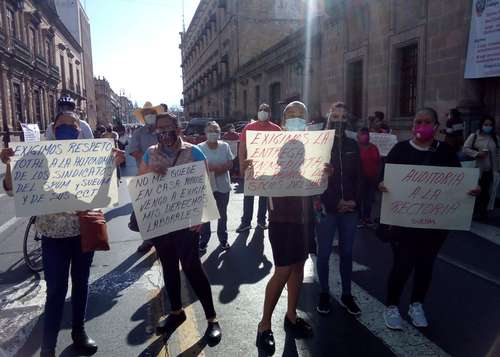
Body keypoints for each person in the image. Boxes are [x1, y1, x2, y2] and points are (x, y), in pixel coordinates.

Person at [1, 111, 125, 357]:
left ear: (79, 130)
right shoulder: (36, 154)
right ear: (53, 128)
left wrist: (114, 163)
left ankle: (79, 332)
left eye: (73, 125)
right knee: (56, 290)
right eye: (62, 124)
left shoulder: (89, 154)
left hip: (83, 232)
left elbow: (105, 190)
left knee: (81, 285)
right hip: (53, 237)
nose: (67, 128)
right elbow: (12, 189)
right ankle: (48, 347)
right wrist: (8, 165)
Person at [379, 107, 480, 330]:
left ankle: (416, 304)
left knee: (426, 265)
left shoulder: (445, 151)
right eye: (418, 121)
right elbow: (383, 176)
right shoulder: (400, 150)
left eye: (426, 122)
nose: (421, 126)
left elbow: (457, 182)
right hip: (403, 222)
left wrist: (470, 191)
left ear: (435, 126)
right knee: (402, 265)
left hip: (434, 225)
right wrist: (382, 185)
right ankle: (392, 306)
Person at [138, 111, 221, 344]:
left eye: (168, 128)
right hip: (162, 223)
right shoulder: (149, 153)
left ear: (178, 129)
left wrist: (201, 218)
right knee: (169, 268)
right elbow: (140, 184)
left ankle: (212, 319)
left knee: (193, 267)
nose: (163, 133)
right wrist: (150, 171)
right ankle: (176, 312)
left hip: (187, 223)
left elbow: (206, 187)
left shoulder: (194, 152)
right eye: (159, 129)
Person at [256, 101, 319, 355]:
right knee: (282, 271)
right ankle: (264, 325)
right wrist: (252, 169)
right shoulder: (270, 145)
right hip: (281, 219)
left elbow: (316, 179)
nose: (296, 119)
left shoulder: (315, 145)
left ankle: (291, 316)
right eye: (291, 115)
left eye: (300, 115)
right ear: (283, 120)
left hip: (305, 218)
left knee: (299, 266)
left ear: (307, 119)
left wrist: (325, 173)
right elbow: (257, 174)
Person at [315, 102, 362, 316]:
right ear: (328, 119)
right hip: (328, 208)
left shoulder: (354, 145)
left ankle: (346, 294)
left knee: (347, 252)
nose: (339, 121)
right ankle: (324, 292)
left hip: (350, 209)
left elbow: (360, 178)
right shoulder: (320, 145)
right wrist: (335, 203)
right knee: (323, 254)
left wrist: (354, 201)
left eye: (343, 118)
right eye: (335, 117)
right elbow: (317, 178)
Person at [237, 103, 281, 233]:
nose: (263, 112)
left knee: (264, 195)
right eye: (261, 109)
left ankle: (261, 220)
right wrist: (241, 166)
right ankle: (246, 222)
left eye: (266, 110)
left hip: (268, 168)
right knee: (248, 196)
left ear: (270, 113)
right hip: (251, 168)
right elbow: (242, 149)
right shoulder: (248, 128)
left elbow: (281, 150)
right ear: (257, 112)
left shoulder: (277, 129)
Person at [128, 102, 165, 253]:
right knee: (146, 211)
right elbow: (133, 151)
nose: (150, 115)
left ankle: (165, 237)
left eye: (152, 113)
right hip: (145, 176)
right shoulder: (139, 133)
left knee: (164, 207)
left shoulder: (164, 130)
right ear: (143, 117)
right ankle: (148, 240)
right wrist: (149, 164)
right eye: (147, 114)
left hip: (165, 174)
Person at [198, 121, 234, 252]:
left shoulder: (225, 146)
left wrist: (222, 168)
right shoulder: (199, 148)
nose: (213, 133)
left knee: (222, 214)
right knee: (206, 215)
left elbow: (230, 162)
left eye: (216, 130)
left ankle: (223, 238)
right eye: (210, 130)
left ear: (219, 133)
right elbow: (197, 167)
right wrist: (210, 169)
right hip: (207, 187)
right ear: (205, 132)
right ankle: (204, 239)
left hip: (223, 186)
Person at [463, 115, 500, 220]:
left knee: (486, 192)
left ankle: (483, 212)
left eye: (490, 125)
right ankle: (472, 211)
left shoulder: (495, 138)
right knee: (475, 191)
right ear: (482, 125)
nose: (488, 127)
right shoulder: (474, 136)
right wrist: (477, 154)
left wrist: (497, 168)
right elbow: (465, 149)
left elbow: (498, 154)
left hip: (490, 170)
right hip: (476, 169)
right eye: (486, 124)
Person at [357, 127, 381, 226]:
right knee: (359, 198)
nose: (365, 136)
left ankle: (366, 218)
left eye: (366, 134)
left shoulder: (374, 147)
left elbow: (379, 162)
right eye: (362, 134)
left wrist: (378, 176)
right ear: (358, 136)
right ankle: (358, 218)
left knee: (369, 199)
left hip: (372, 178)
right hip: (359, 179)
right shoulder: (355, 147)